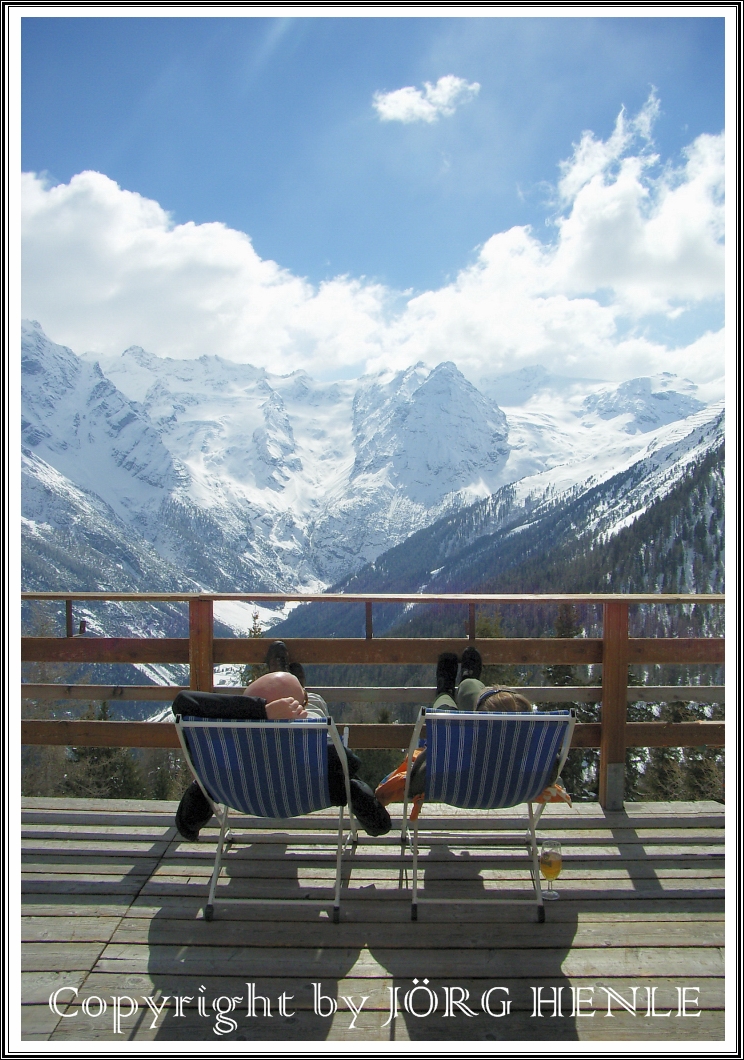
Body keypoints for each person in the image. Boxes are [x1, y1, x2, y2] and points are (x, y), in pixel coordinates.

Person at [173, 642, 391, 840]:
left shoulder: (223, 762)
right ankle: (298, 689)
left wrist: (260, 711)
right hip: (302, 792)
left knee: (308, 706)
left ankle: (282, 678)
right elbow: (351, 769)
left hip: (244, 793)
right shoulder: (320, 752)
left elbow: (184, 701)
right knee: (317, 706)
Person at [376, 646, 537, 808]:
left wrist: (426, 754)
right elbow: (552, 771)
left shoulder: (455, 756)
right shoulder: (535, 763)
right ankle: (468, 680)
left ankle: (446, 688)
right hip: (510, 795)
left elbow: (414, 783)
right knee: (468, 690)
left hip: (460, 787)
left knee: (445, 703)